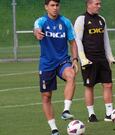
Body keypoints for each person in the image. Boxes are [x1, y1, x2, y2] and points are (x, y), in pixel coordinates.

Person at [34, 0, 79, 134]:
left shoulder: (65, 22)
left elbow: (73, 42)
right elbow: (36, 29)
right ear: (46, 7)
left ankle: (66, 110)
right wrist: (37, 33)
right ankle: (54, 129)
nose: (55, 8)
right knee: (46, 96)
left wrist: (75, 59)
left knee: (71, 75)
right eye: (52, 5)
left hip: (62, 61)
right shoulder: (41, 21)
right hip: (46, 63)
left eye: (57, 5)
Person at [74, 0, 115, 122]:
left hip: (102, 58)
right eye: (97, 4)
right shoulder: (81, 19)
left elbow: (105, 40)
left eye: (100, 4)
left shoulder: (102, 19)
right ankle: (91, 114)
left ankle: (109, 114)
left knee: (108, 84)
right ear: (89, 4)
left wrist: (110, 56)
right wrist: (83, 59)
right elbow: (77, 41)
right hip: (89, 59)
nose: (99, 6)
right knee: (89, 86)